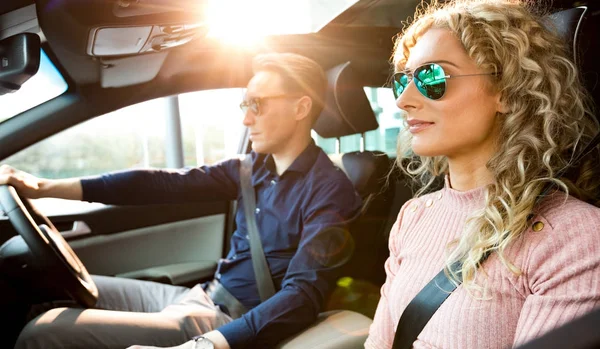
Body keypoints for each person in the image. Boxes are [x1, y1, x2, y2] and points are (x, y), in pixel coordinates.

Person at [1, 52, 362, 349]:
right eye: (244, 104)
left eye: (257, 104)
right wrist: (43, 186)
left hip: (228, 320)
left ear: (301, 108)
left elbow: (302, 294)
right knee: (50, 292)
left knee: (44, 332)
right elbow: (158, 184)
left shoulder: (330, 191)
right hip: (199, 296)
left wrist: (208, 344)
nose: (246, 118)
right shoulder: (252, 169)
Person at [365, 0, 600, 348]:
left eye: (433, 77)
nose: (404, 100)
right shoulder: (413, 217)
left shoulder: (573, 237)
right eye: (403, 81)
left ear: (506, 89)